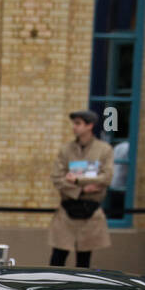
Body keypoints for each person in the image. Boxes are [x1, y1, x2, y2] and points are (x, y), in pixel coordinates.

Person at [48, 109, 112, 268]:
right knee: (57, 258)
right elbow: (57, 179)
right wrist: (82, 189)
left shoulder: (104, 150)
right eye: (74, 124)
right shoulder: (66, 150)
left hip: (90, 213)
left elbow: (106, 178)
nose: (74, 127)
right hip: (67, 211)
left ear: (89, 125)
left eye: (78, 124)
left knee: (84, 261)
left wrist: (77, 179)